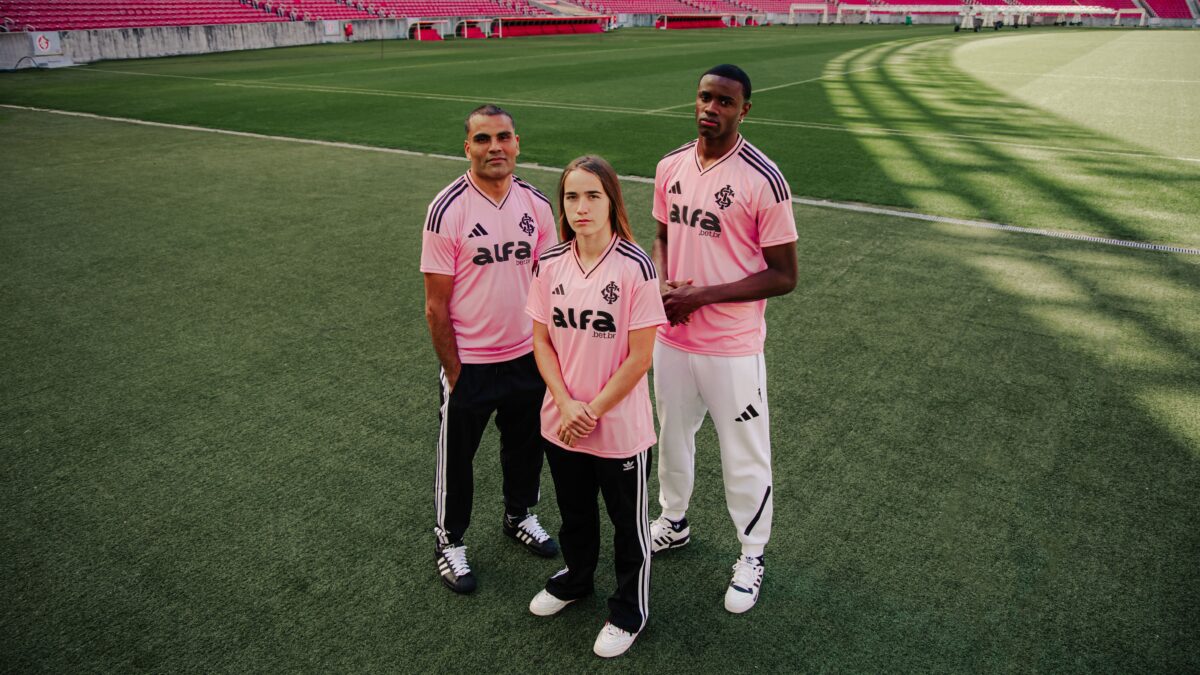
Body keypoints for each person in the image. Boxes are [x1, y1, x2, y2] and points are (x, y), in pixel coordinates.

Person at [648, 64, 798, 614]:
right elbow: (663, 232)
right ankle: (672, 521)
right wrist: (666, 283)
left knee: (744, 453)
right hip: (673, 337)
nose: (711, 108)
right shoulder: (670, 166)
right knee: (672, 435)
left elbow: (784, 275)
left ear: (744, 110)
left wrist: (703, 295)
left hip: (732, 344)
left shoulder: (764, 179)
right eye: (705, 97)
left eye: (725, 102)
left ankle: (751, 554)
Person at [524, 156, 666, 658]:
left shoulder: (636, 267)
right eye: (571, 197)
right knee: (575, 514)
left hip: (617, 428)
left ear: (611, 202)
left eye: (592, 196)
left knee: (628, 526)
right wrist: (565, 403)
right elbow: (541, 341)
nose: (581, 207)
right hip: (561, 422)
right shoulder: (549, 262)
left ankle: (630, 609)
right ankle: (577, 578)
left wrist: (592, 410)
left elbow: (640, 356)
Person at [420, 104, 559, 594]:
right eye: (483, 139)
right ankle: (449, 539)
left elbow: (550, 287)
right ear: (468, 148)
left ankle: (519, 514)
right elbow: (435, 306)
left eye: (503, 137)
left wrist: (547, 352)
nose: (494, 147)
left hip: (525, 358)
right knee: (456, 459)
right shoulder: (447, 209)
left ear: (517, 143)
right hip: (471, 366)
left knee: (525, 448)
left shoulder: (537, 205)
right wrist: (455, 371)